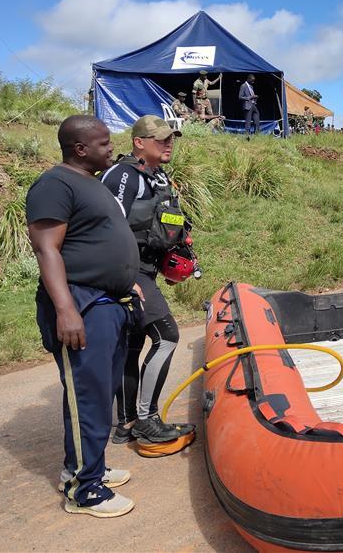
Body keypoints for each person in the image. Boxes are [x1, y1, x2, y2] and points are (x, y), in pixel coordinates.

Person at [26, 115, 140, 518]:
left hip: (108, 302)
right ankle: (83, 490)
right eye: (105, 144)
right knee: (87, 396)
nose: (112, 149)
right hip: (82, 304)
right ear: (80, 148)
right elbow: (47, 250)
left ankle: (87, 468)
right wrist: (66, 308)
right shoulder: (55, 184)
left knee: (100, 392)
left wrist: (128, 282)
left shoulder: (91, 182)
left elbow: (98, 240)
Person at [100, 116, 196, 446]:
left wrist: (175, 264)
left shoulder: (158, 176)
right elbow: (105, 228)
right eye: (161, 139)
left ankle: (126, 423)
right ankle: (148, 419)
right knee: (167, 335)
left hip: (148, 269)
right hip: (129, 271)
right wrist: (125, 279)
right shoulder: (122, 176)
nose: (169, 143)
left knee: (132, 345)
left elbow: (166, 224)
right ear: (139, 142)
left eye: (171, 139)